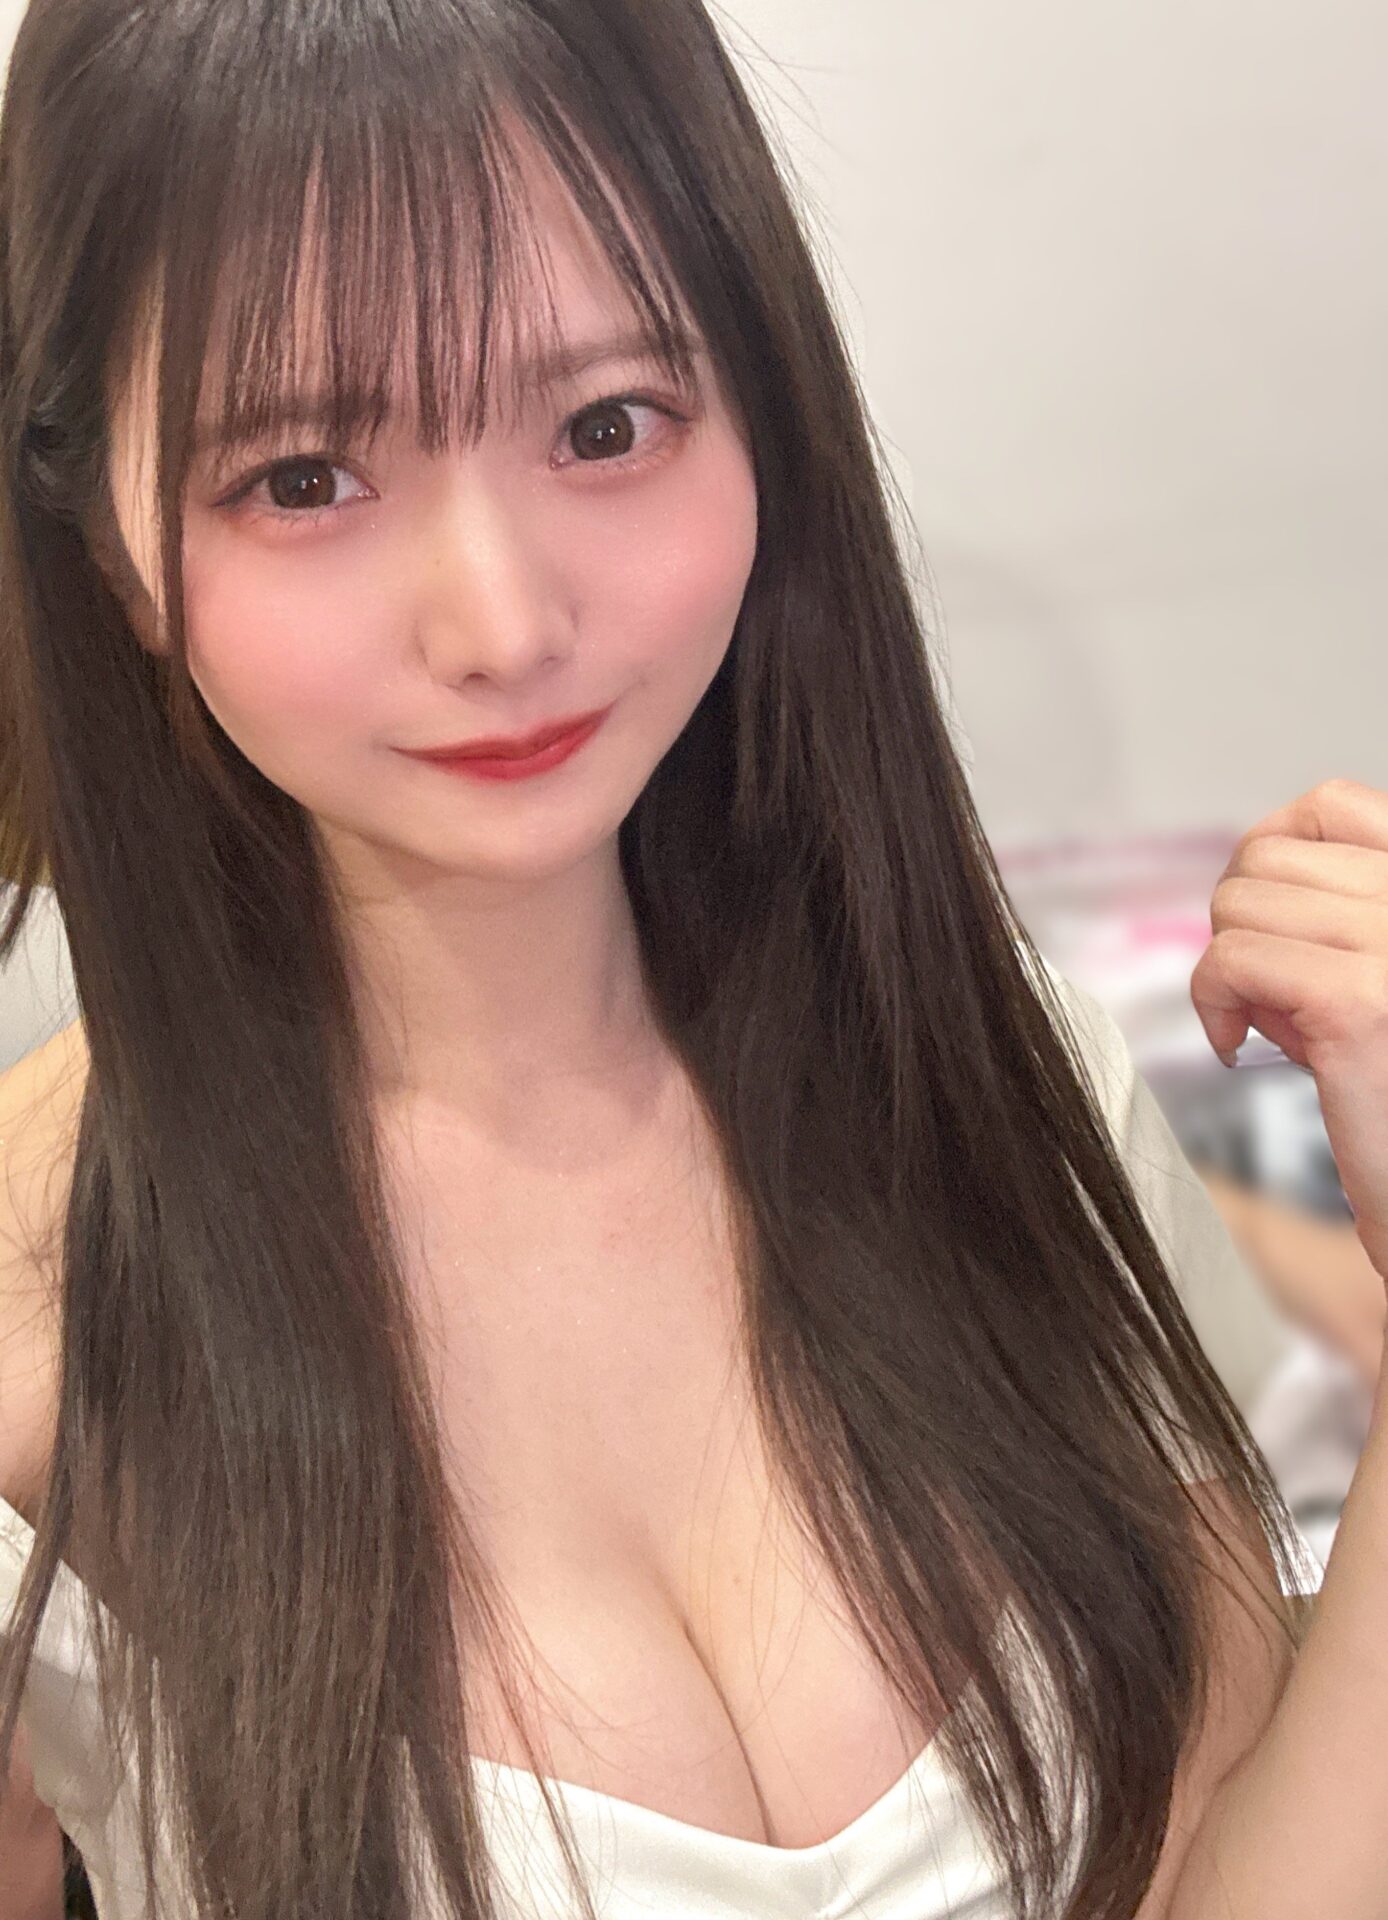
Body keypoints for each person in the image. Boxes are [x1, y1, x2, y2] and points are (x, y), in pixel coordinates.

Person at [0, 3, 1325, 1917]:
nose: (502, 621)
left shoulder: (993, 1079)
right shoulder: (35, 1342)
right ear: (110, 548)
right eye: (300, 476)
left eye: (605, 424)